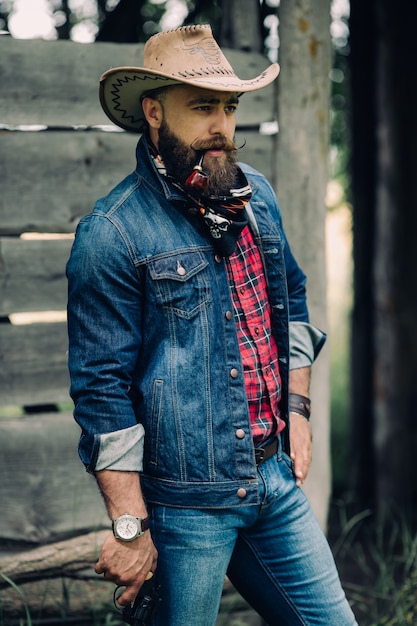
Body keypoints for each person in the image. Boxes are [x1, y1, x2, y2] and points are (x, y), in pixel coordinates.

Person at [67, 24, 357, 626]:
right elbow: (101, 392)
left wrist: (298, 414)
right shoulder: (113, 234)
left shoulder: (259, 202)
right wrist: (129, 526)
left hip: (273, 484)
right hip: (184, 507)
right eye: (203, 107)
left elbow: (293, 304)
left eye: (229, 106)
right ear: (153, 112)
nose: (221, 125)